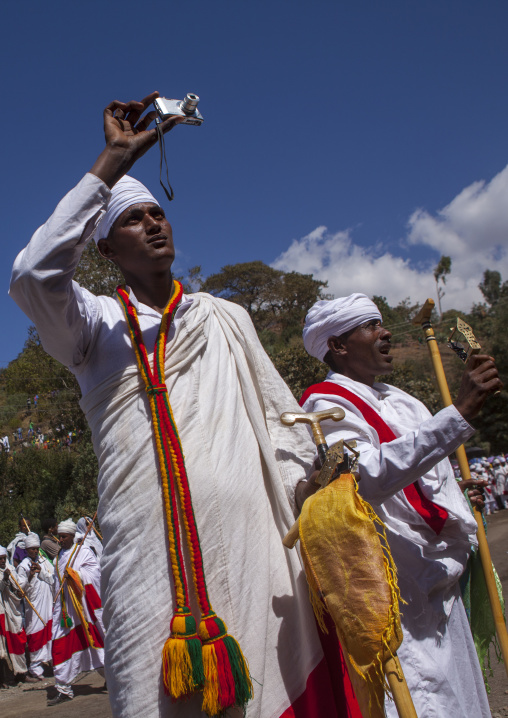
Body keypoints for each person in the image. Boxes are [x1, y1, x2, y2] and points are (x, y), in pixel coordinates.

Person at [8, 91, 352, 718]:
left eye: (158, 214)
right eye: (134, 220)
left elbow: (282, 421)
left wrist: (317, 489)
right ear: (104, 249)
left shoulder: (225, 318)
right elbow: (33, 277)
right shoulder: (93, 328)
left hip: (255, 550)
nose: (155, 223)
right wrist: (112, 160)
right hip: (146, 564)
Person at [298, 293, 503, 718]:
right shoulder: (325, 407)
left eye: (381, 322)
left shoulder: (403, 400)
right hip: (399, 593)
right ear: (337, 346)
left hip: (444, 581)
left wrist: (458, 496)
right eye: (371, 326)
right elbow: (362, 478)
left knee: (465, 701)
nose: (386, 332)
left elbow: (426, 473)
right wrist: (459, 412)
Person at [49, 519, 105, 705]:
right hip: (65, 612)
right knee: (60, 645)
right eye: (59, 537)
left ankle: (111, 677)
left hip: (83, 608)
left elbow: (95, 574)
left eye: (64, 536)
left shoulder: (83, 552)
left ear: (73, 536)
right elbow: (55, 582)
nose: (60, 540)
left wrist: (76, 575)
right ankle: (63, 688)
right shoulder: (57, 558)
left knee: (96, 641)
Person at [16, 532, 54, 681]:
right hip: (33, 605)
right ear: (27, 550)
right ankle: (35, 668)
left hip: (46, 601)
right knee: (36, 633)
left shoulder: (43, 560)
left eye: (37, 549)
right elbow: (20, 589)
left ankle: (51, 661)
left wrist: (41, 570)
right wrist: (31, 575)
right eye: (32, 549)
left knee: (49, 630)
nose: (35, 551)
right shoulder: (23, 566)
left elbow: (51, 576)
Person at [0, 545, 27, 680]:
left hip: (15, 611)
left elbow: (18, 586)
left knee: (18, 638)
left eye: (4, 558)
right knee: (3, 646)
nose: (3, 561)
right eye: (0, 559)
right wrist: (4, 579)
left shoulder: (10, 569)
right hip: (4, 611)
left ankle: (21, 672)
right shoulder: (4, 573)